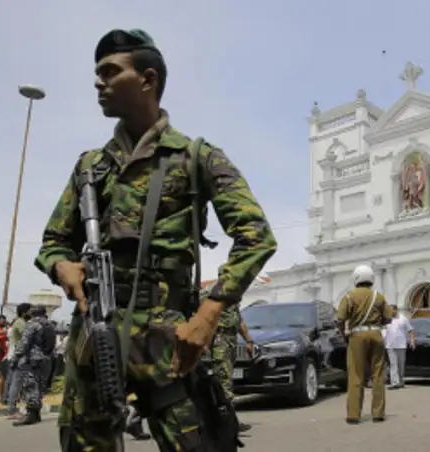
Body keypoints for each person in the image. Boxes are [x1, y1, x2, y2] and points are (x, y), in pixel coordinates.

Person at [33, 28, 276, 451]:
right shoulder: (90, 167)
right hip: (96, 334)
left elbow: (256, 237)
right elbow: (53, 240)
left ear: (147, 79)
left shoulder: (196, 157)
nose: (98, 82)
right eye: (97, 73)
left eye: (110, 72)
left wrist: (208, 314)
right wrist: (61, 265)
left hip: (170, 339)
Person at [336, 265, 392, 424]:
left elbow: (339, 319)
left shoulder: (349, 296)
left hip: (357, 335)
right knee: (378, 374)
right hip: (376, 334)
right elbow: (388, 319)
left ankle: (354, 414)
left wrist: (344, 334)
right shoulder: (379, 296)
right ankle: (378, 413)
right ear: (371, 279)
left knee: (356, 375)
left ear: (355, 278)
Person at [212, 304, 254, 432]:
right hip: (220, 343)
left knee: (227, 383)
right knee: (224, 383)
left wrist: (249, 341)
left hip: (231, 343)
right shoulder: (213, 297)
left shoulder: (233, 301)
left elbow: (239, 321)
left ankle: (228, 421)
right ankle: (229, 423)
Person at [10, 305, 53, 426]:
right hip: (46, 359)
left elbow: (24, 344)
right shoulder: (49, 325)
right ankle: (36, 413)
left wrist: (15, 359)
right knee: (39, 387)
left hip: (33, 359)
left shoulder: (32, 324)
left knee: (30, 386)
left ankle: (31, 415)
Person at [6, 303, 32, 417]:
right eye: (30, 311)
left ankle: (19, 408)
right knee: (17, 384)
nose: (32, 313)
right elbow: (27, 337)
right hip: (19, 357)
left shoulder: (19, 322)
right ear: (24, 312)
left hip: (16, 355)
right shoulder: (20, 322)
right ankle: (12, 410)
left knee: (20, 384)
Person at [383, 305, 414, 389]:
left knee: (401, 365)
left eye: (391, 310)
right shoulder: (387, 320)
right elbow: (383, 332)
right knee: (393, 364)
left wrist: (412, 341)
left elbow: (410, 330)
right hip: (390, 346)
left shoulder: (403, 319)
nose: (389, 312)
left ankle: (401, 382)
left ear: (395, 310)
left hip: (401, 345)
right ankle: (394, 383)